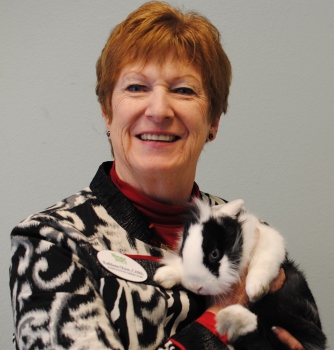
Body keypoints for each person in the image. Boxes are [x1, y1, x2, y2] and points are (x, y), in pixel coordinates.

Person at [10, 2, 309, 349]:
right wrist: (222, 316)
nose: (159, 110)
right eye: (136, 87)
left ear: (213, 122)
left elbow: (306, 335)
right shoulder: (53, 240)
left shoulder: (249, 234)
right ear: (108, 113)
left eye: (184, 90)